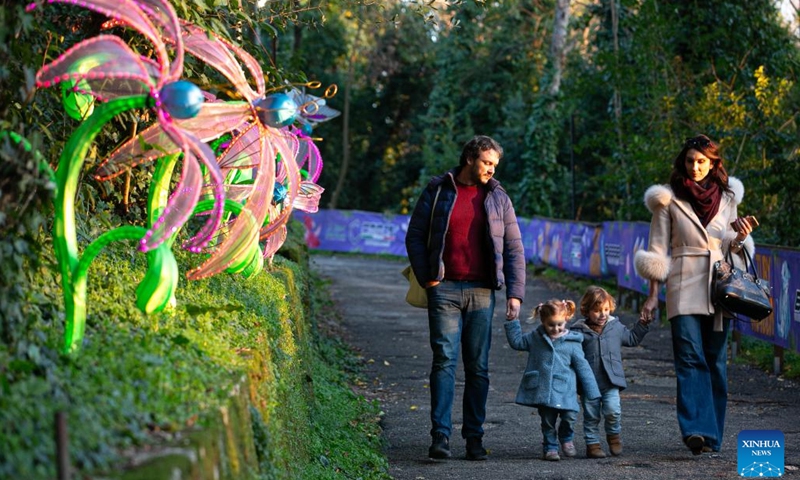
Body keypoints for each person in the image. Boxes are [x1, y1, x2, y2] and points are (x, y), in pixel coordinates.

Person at [634, 134, 758, 455]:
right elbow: (657, 251)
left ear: (713, 163)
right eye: (690, 161)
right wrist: (651, 296)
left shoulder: (729, 198)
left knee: (715, 360)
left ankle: (713, 434)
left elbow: (734, 248)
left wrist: (741, 237)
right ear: (683, 162)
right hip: (682, 284)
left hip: (720, 287)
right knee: (689, 357)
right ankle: (695, 430)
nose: (695, 167)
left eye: (702, 161)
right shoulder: (667, 199)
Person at [405, 135, 526, 461]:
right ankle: (440, 437)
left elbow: (514, 247)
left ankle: (474, 438)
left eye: (495, 165)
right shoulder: (438, 189)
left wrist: (515, 293)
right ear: (470, 158)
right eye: (487, 163)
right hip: (443, 288)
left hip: (482, 291)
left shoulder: (498, 197)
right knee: (444, 360)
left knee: (478, 367)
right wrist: (427, 276)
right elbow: (415, 235)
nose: (491, 170)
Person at [504, 299, 600, 461]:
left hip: (566, 390)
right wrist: (512, 321)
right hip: (544, 390)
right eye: (551, 325)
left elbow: (583, 367)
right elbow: (517, 342)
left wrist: (592, 391)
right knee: (547, 422)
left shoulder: (572, 342)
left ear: (566, 320)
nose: (556, 328)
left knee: (570, 416)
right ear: (542, 321)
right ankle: (550, 448)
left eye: (559, 324)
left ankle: (566, 437)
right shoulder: (535, 338)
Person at [570, 286, 651, 458]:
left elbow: (631, 338)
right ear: (586, 310)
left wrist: (642, 324)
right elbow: (568, 353)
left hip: (611, 380)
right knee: (591, 415)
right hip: (588, 383)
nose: (602, 314)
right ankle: (593, 445)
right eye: (597, 310)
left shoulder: (615, 327)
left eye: (606, 310)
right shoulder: (577, 331)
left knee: (613, 411)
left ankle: (613, 437)